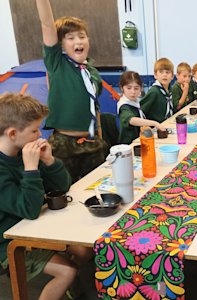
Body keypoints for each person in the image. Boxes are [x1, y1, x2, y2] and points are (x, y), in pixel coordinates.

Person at [0, 92, 90, 300]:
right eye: (34, 130)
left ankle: (71, 287)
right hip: (9, 240)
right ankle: (68, 279)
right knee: (66, 271)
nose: (39, 135)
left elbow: (62, 187)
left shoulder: (24, 150)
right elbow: (29, 210)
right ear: (13, 133)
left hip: (38, 225)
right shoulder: (12, 164)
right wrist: (30, 170)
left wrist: (49, 162)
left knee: (84, 250)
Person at [36, 0, 106, 183]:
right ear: (60, 45)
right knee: (66, 191)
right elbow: (46, 25)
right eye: (71, 37)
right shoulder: (57, 64)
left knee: (98, 188)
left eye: (82, 36)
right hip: (64, 143)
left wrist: (100, 136)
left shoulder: (92, 72)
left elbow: (94, 107)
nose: (78, 41)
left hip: (91, 142)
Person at [118, 71, 166, 144]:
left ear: (141, 88)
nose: (133, 92)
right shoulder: (124, 106)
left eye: (136, 88)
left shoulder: (136, 101)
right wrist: (154, 123)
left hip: (140, 139)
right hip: (130, 144)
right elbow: (132, 120)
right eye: (129, 88)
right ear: (122, 88)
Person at [140, 58, 174, 123]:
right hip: (155, 127)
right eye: (161, 72)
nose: (164, 75)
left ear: (172, 76)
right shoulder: (154, 91)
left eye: (167, 72)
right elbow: (141, 111)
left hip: (167, 124)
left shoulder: (170, 90)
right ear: (155, 75)